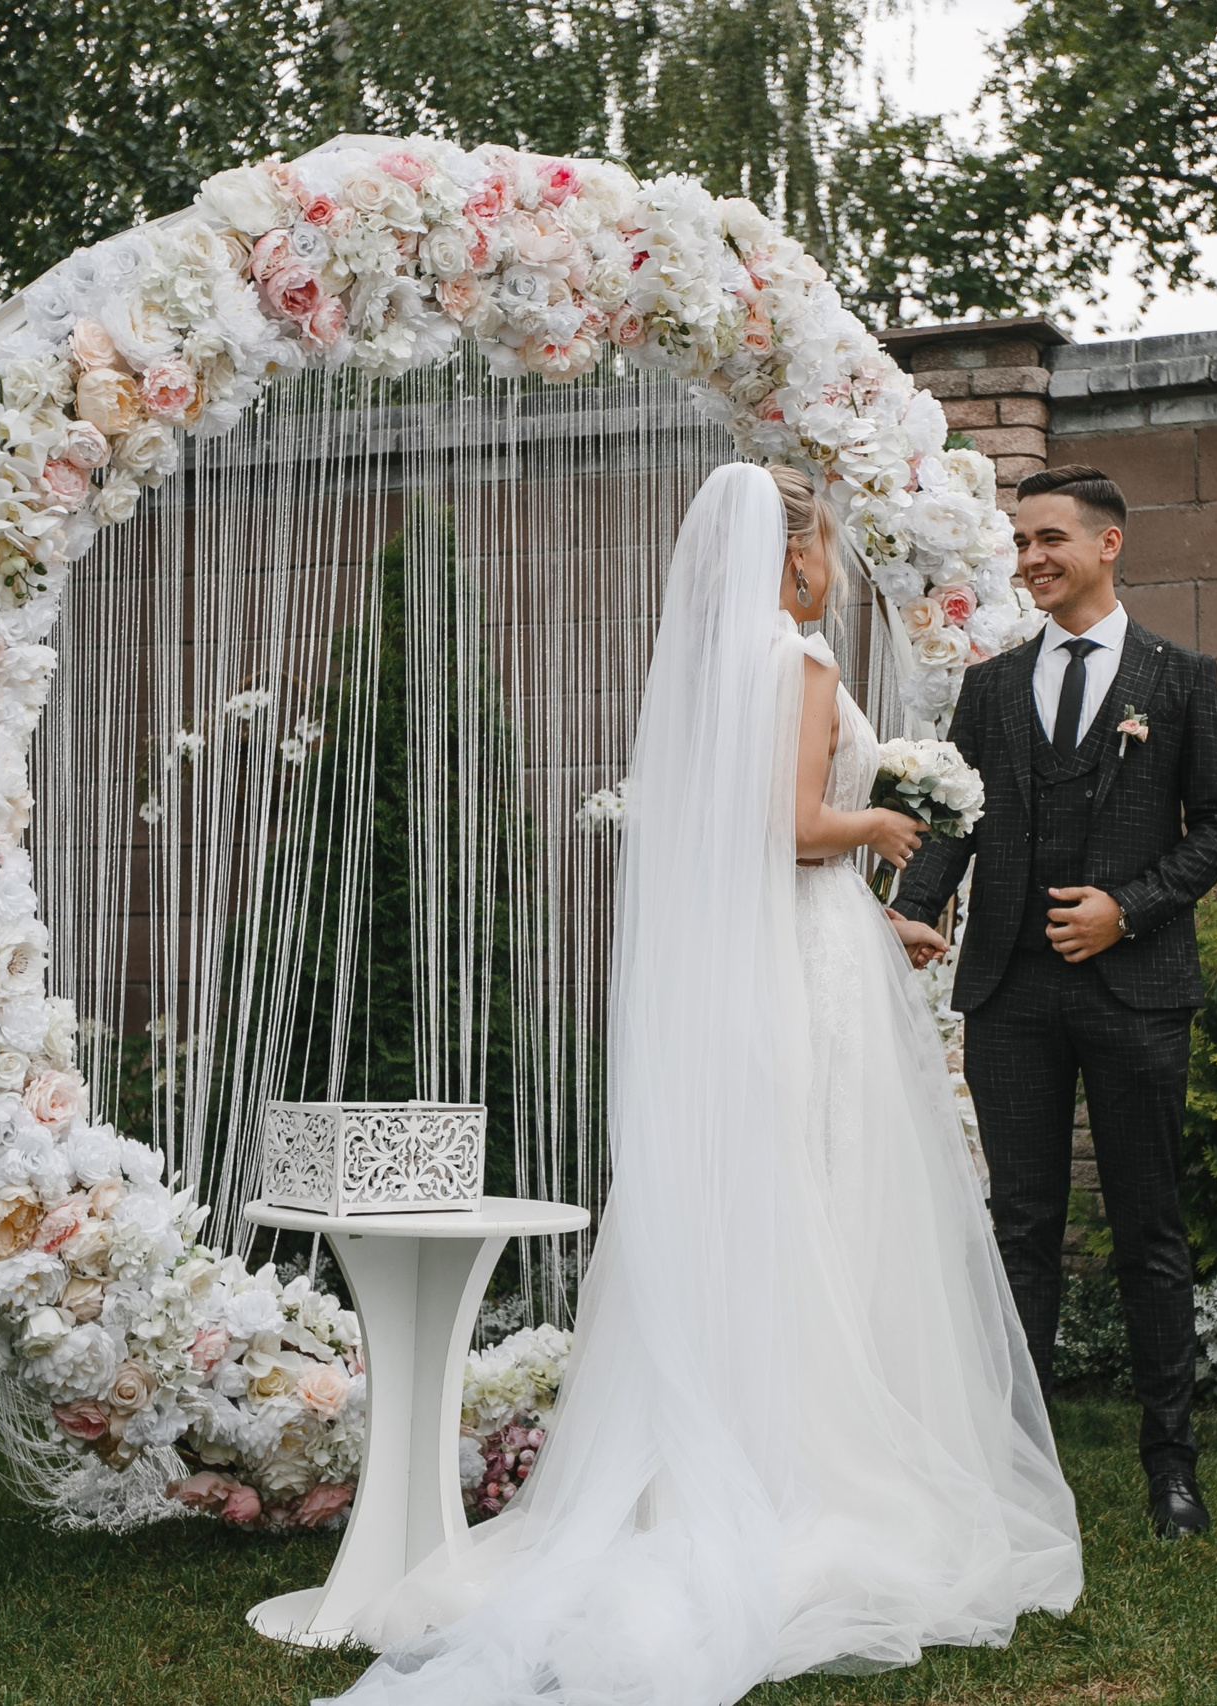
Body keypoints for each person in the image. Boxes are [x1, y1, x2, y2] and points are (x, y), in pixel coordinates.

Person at [337, 461, 1082, 1705]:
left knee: (758, 1196)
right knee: (827, 1193)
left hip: (778, 948)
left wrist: (875, 911)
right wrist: (884, 832)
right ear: (793, 556)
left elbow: (728, 833)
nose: (831, 570)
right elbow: (790, 824)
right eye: (823, 550)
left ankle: (716, 1452)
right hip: (802, 968)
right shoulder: (795, 663)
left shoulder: (705, 671)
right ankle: (813, 1464)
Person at [890, 464, 1217, 1542]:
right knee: (1022, 1227)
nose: (1031, 557)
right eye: (1020, 541)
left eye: (1050, 537)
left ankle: (1171, 1467)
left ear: (1108, 544)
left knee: (1148, 1227)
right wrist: (916, 902)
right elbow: (956, 810)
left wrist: (1124, 911)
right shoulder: (992, 686)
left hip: (1134, 988)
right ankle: (1017, 1468)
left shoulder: (1179, 678)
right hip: (1009, 988)